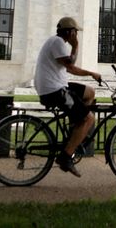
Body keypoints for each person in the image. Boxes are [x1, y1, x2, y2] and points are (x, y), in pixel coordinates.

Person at [34, 16, 101, 177]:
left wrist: (74, 46)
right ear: (69, 32)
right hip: (54, 90)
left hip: (58, 86)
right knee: (89, 119)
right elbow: (71, 67)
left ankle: (75, 127)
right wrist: (91, 73)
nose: (76, 35)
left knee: (90, 92)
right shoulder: (57, 42)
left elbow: (68, 64)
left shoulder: (58, 44)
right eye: (75, 32)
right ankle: (65, 157)